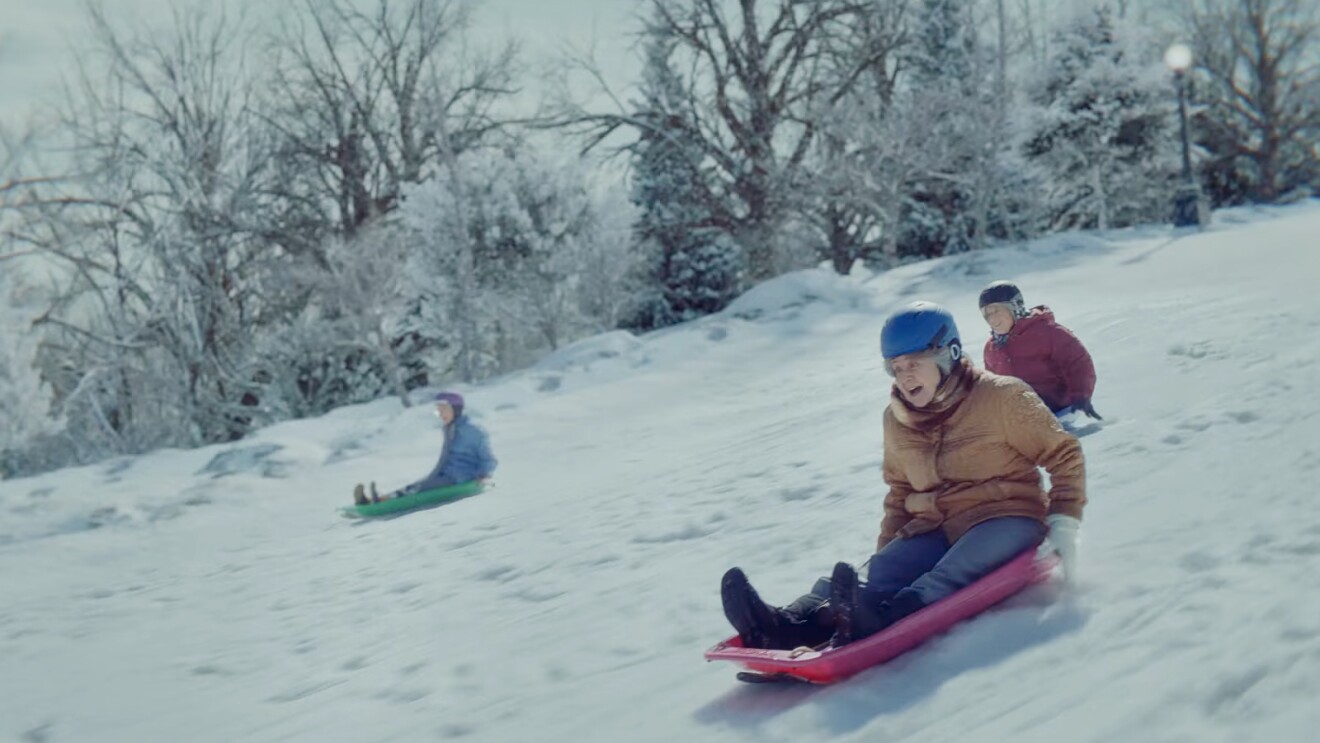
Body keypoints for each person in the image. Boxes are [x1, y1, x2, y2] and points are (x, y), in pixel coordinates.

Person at [720, 301, 1086, 650]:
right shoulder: (898, 419)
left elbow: (1063, 454)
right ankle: (783, 625)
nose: (904, 375)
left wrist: (1064, 521)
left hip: (1005, 517)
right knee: (869, 577)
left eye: (914, 362)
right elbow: (899, 492)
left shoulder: (1002, 396)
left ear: (949, 354)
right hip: (935, 525)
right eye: (895, 367)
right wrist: (885, 559)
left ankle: (885, 617)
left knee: (943, 576)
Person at [978, 280, 1100, 420]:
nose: (992, 318)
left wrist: (1081, 396)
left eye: (997, 311)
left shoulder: (1047, 332)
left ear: (1016, 307)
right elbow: (993, 387)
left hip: (1061, 412)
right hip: (1024, 420)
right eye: (987, 314)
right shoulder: (991, 348)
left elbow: (1078, 362)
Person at [352, 391, 497, 505]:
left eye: (444, 409)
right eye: (438, 410)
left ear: (455, 409)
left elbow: (489, 459)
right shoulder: (450, 428)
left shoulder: (473, 431)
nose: (441, 414)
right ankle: (374, 500)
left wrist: (483, 475)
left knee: (418, 488)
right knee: (417, 485)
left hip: (461, 477)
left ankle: (380, 502)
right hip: (445, 474)